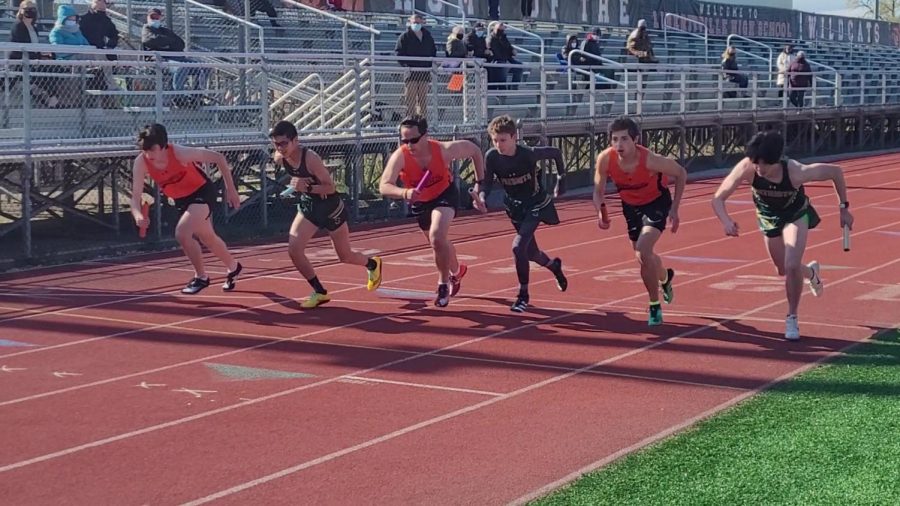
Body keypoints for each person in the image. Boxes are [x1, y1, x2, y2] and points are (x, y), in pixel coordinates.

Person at [711, 130, 853, 340]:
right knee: (782, 269)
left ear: (776, 160)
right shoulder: (747, 168)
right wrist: (726, 221)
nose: (759, 169)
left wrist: (843, 208)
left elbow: (836, 172)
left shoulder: (796, 171)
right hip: (768, 218)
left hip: (796, 215)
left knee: (791, 264)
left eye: (764, 165)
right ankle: (811, 274)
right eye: (756, 163)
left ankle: (792, 317)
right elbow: (718, 198)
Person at [269, 121, 383, 309]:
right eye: (276, 144)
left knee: (344, 256)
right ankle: (319, 291)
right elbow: (296, 178)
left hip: (330, 207)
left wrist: (308, 186)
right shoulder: (280, 158)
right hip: (309, 206)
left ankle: (372, 264)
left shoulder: (311, 158)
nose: (280, 148)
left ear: (295, 140)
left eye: (283, 143)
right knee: (294, 249)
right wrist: (302, 186)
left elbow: (330, 187)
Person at [379, 115, 487, 307]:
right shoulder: (400, 156)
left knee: (437, 237)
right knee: (440, 243)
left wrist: (479, 184)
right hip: (420, 202)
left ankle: (442, 284)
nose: (409, 144)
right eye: (404, 140)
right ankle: (457, 271)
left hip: (444, 195)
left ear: (425, 135)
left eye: (413, 140)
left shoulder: (443, 150)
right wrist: (404, 192)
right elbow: (384, 186)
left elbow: (475, 151)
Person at [131, 123, 243, 294]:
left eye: (152, 150)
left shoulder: (180, 153)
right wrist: (138, 215)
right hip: (182, 200)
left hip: (202, 192)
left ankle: (201, 277)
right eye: (145, 150)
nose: (149, 155)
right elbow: (135, 197)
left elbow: (219, 158)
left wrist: (231, 190)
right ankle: (233, 267)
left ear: (163, 146)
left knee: (182, 233)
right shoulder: (141, 162)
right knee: (208, 238)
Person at [593, 116, 685, 326]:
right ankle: (665, 277)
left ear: (636, 140)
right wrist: (601, 212)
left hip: (656, 204)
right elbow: (597, 191)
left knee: (643, 249)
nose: (619, 145)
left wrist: (675, 208)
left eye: (624, 139)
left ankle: (654, 305)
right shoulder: (605, 159)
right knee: (644, 257)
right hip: (631, 208)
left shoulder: (650, 160)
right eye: (614, 139)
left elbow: (681, 173)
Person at [477, 115, 568, 312]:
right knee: (531, 253)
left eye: (503, 140)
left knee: (518, 247)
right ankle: (554, 267)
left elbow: (556, 152)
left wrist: (561, 178)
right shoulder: (492, 157)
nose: (499, 145)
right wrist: (482, 196)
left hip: (535, 203)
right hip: (515, 207)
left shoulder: (528, 154)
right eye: (495, 140)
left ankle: (523, 295)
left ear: (513, 137)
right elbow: (488, 183)